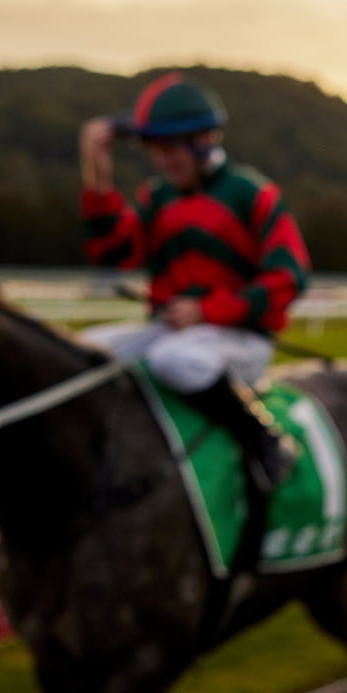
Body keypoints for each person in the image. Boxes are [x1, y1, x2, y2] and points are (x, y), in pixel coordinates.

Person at [80, 72, 309, 534]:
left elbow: (290, 276)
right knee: (86, 353)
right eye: (154, 151)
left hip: (239, 339)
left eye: (171, 150)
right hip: (178, 332)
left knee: (173, 360)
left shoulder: (252, 193)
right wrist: (97, 172)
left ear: (205, 141)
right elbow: (114, 254)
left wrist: (208, 311)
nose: (162, 161)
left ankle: (266, 439)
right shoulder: (156, 197)